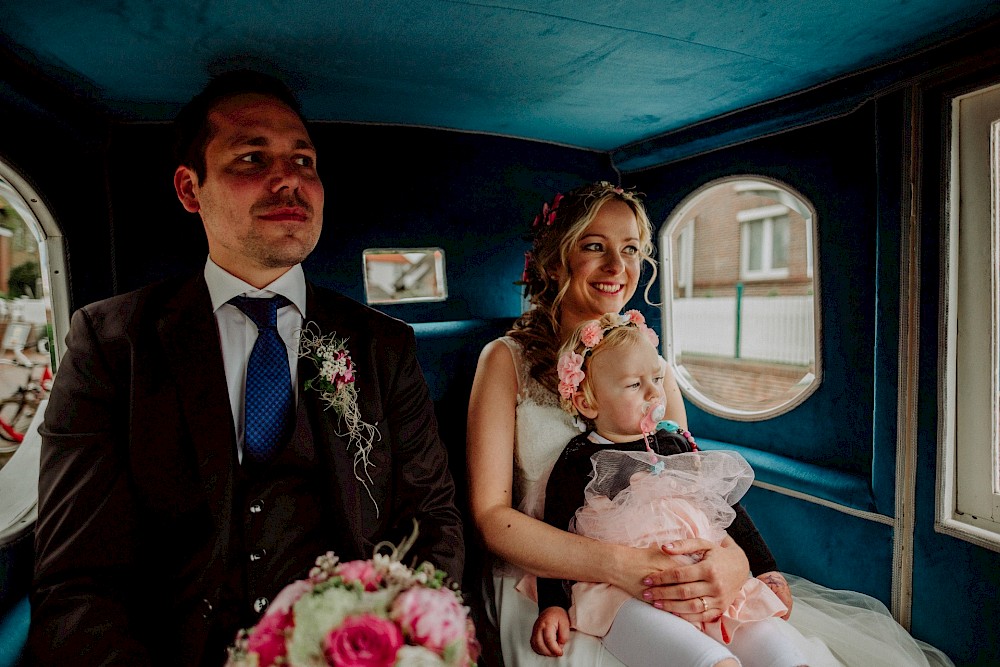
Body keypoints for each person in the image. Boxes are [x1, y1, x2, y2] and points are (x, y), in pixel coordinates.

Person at [28, 70, 464, 666]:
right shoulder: (110, 344)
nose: (288, 179)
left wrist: (400, 645)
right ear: (190, 189)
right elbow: (78, 578)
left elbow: (432, 522)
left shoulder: (383, 346)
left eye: (304, 161)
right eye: (250, 158)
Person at [467, 181, 765, 666]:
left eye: (629, 249)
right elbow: (492, 518)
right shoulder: (505, 361)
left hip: (664, 570)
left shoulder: (653, 368)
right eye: (594, 247)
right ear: (556, 261)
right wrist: (621, 567)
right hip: (550, 593)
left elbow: (690, 486)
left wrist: (734, 562)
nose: (616, 268)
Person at [533, 312, 830, 667]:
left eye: (656, 378)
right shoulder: (580, 460)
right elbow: (552, 536)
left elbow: (724, 507)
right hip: (627, 592)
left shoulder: (675, 443)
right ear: (587, 402)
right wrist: (551, 603)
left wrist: (765, 567)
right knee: (710, 661)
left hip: (702, 575)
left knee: (779, 651)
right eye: (633, 385)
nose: (654, 392)